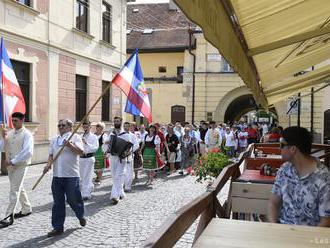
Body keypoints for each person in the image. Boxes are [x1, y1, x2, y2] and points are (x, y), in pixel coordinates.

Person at [268, 126, 330, 227]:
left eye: (281, 144)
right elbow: (273, 203)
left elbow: (326, 221)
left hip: (309, 237)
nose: (279, 148)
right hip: (282, 232)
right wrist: (274, 226)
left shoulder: (323, 178)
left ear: (293, 149)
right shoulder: (284, 169)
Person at [43, 119, 86, 237]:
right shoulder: (54, 139)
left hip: (71, 175)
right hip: (57, 175)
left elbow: (81, 152)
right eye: (59, 125)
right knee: (57, 202)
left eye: (63, 125)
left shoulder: (76, 137)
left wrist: (69, 144)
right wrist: (48, 165)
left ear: (70, 127)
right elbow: (51, 155)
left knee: (73, 198)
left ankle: (80, 215)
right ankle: (58, 227)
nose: (60, 127)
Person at [0, 112, 34, 228]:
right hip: (10, 166)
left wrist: (13, 161)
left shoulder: (27, 134)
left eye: (16, 121)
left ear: (22, 120)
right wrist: (2, 137)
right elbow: (2, 147)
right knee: (19, 186)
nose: (13, 123)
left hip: (21, 165)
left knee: (14, 189)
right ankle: (26, 208)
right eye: (12, 120)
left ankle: (9, 216)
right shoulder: (9, 133)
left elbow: (28, 151)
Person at [107, 117, 136, 205]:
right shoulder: (111, 134)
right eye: (115, 121)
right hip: (113, 157)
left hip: (121, 158)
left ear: (121, 122)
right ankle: (121, 192)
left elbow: (129, 147)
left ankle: (114, 196)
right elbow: (106, 145)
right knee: (114, 175)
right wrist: (107, 147)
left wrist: (125, 153)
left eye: (118, 121)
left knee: (118, 176)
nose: (116, 122)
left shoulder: (126, 135)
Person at [79, 120, 98, 200]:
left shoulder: (94, 137)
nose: (85, 128)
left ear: (90, 127)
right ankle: (86, 189)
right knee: (82, 176)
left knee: (88, 176)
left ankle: (86, 194)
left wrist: (86, 143)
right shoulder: (80, 136)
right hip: (81, 158)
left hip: (89, 158)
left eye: (87, 126)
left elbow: (95, 148)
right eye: (84, 126)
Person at [123, 122, 139, 193]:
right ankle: (122, 184)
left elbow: (136, 145)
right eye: (124, 126)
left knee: (129, 171)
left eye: (127, 126)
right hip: (122, 156)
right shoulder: (121, 135)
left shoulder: (133, 135)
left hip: (129, 155)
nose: (126, 127)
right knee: (122, 171)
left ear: (129, 127)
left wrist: (130, 151)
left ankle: (128, 186)